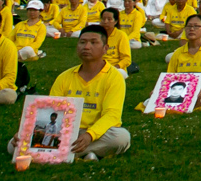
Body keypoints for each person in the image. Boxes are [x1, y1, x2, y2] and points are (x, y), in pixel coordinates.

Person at [9, 24, 130, 160]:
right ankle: (84, 153)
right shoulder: (65, 77)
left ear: (105, 48)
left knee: (121, 138)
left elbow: (112, 115)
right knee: (12, 145)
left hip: (96, 132)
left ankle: (58, 152)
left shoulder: (114, 77)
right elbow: (50, 109)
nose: (86, 47)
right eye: (82, 42)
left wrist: (90, 135)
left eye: (93, 42)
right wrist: (28, 130)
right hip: (64, 131)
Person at [166, 14, 201, 108]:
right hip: (179, 93)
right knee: (148, 102)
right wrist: (159, 91)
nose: (192, 29)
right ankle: (188, 105)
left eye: (196, 26)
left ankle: (186, 105)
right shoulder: (178, 52)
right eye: (189, 26)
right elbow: (170, 77)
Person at [98, 8, 132, 76]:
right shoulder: (96, 34)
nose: (105, 22)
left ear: (115, 21)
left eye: (109, 19)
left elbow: (126, 59)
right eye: (103, 19)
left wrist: (116, 67)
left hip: (116, 68)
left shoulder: (121, 35)